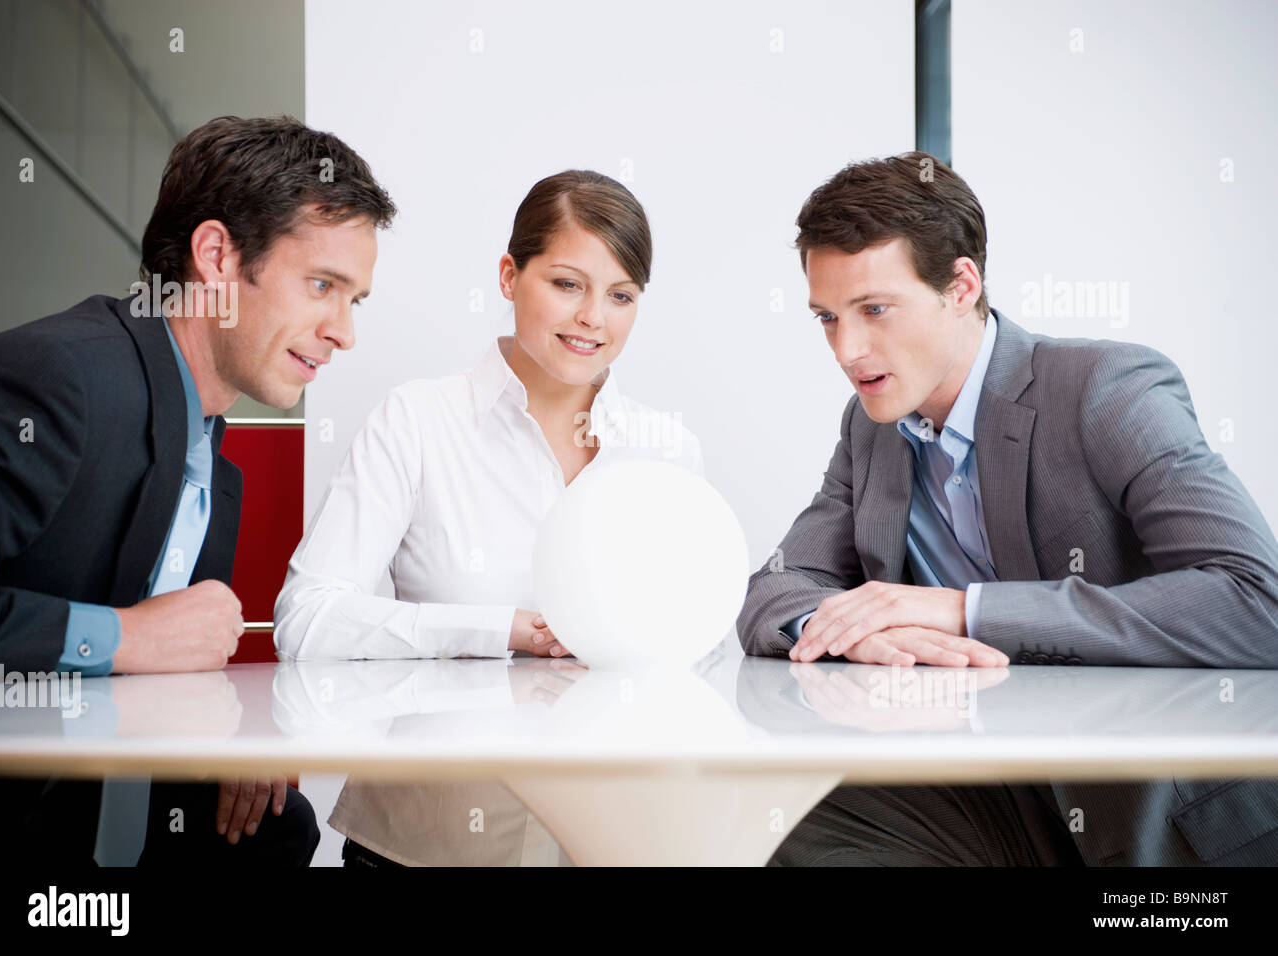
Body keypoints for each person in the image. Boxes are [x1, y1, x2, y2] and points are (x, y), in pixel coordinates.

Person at [738, 151, 1278, 866]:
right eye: (827, 318)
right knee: (804, 846)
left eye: (874, 310)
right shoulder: (870, 425)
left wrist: (965, 611)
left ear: (961, 285)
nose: (847, 348)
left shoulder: (1104, 390)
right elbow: (776, 588)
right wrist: (851, 631)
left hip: (1151, 796)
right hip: (980, 786)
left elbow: (1255, 600)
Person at [0, 114, 397, 866]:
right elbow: (137, 644)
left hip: (117, 844)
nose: (344, 332)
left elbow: (152, 677)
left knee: (284, 828)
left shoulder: (211, 469)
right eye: (321, 285)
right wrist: (125, 635)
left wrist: (234, 731)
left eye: (354, 299)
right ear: (216, 256)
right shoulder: (57, 380)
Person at [274, 169, 704, 866]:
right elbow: (308, 620)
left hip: (606, 843)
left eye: (621, 295)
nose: (594, 316)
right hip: (420, 843)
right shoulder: (416, 421)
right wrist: (504, 633)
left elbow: (694, 648)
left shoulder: (667, 449)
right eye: (568, 284)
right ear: (509, 276)